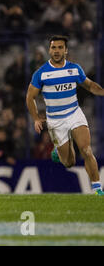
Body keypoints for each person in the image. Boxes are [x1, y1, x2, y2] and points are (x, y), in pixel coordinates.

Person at [26, 35, 104, 195]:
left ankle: (97, 189)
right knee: (69, 162)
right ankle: (58, 148)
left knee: (86, 149)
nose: (56, 51)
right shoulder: (41, 73)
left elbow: (90, 86)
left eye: (60, 47)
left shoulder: (75, 69)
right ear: (49, 50)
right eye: (53, 47)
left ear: (66, 50)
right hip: (55, 120)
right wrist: (35, 118)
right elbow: (30, 97)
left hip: (74, 113)